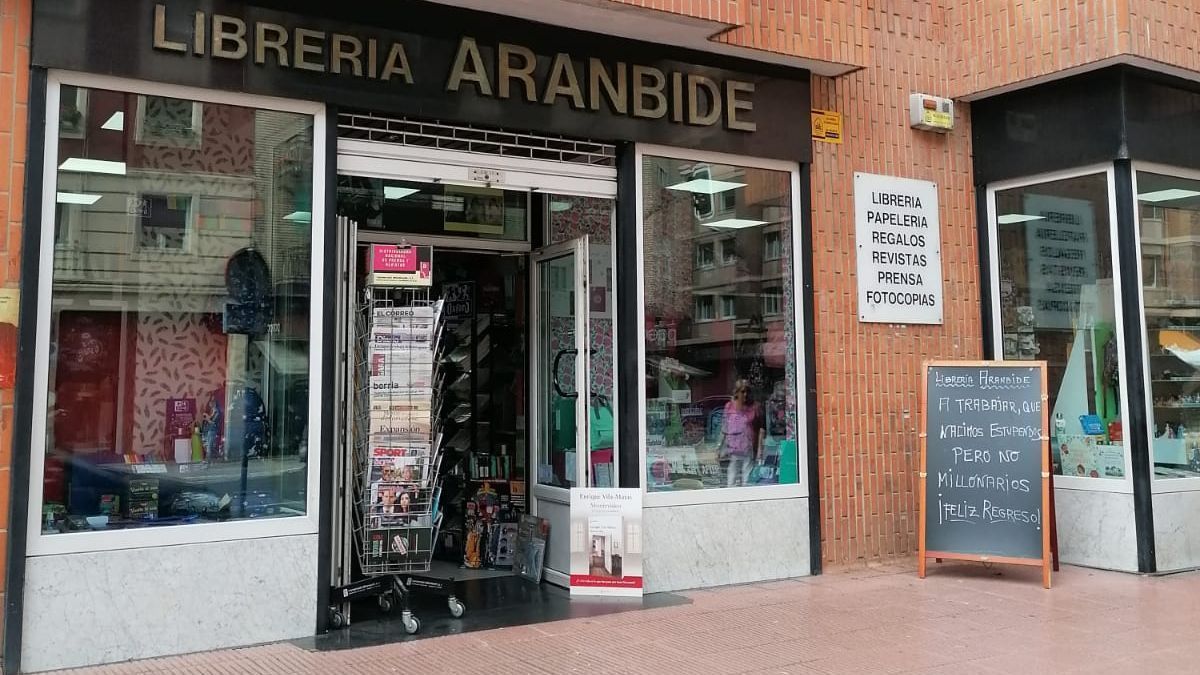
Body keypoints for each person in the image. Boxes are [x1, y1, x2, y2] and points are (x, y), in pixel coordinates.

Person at [720, 379, 764, 487]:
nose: (745, 394)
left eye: (747, 391)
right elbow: (724, 427)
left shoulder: (754, 407)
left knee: (747, 479)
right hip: (733, 448)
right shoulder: (729, 406)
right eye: (742, 391)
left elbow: (761, 429)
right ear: (736, 392)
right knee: (731, 477)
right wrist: (719, 447)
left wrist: (760, 449)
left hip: (748, 447)